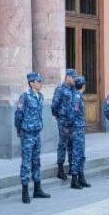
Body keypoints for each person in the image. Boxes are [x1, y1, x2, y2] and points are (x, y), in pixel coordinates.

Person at [14, 71, 50, 204]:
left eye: (40, 81)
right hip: (27, 133)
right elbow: (18, 115)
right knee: (26, 163)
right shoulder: (25, 97)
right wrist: (20, 130)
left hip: (36, 133)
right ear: (31, 83)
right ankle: (24, 192)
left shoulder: (40, 96)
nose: (40, 84)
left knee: (36, 161)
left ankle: (37, 189)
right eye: (38, 81)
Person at [51, 69, 75, 181]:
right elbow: (54, 104)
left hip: (72, 121)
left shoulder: (73, 90)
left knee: (72, 144)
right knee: (63, 144)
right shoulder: (60, 89)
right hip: (63, 121)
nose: (74, 79)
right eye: (73, 77)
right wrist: (58, 116)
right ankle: (60, 169)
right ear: (68, 77)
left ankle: (71, 166)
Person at [69, 76, 90, 189]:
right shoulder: (77, 98)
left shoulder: (78, 96)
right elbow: (73, 114)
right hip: (77, 129)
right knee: (77, 154)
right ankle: (74, 180)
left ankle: (81, 178)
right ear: (83, 85)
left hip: (79, 129)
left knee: (81, 154)